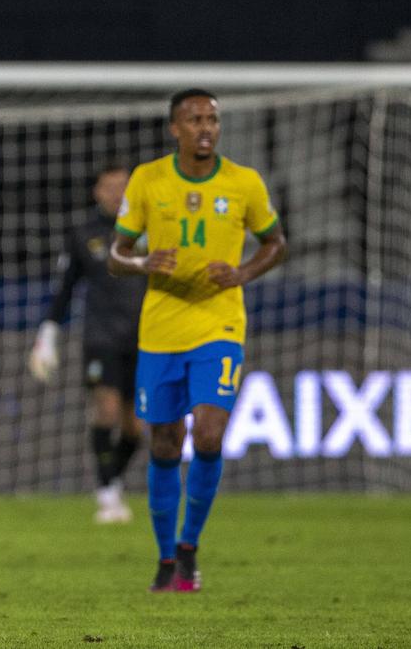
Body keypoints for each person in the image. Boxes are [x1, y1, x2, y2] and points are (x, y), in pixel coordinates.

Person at [108, 89, 286, 593]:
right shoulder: (148, 180)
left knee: (208, 434)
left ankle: (190, 547)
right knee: (165, 442)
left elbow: (276, 242)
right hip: (161, 329)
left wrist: (244, 272)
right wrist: (143, 262)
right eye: (195, 119)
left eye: (212, 119)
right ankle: (166, 560)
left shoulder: (244, 183)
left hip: (219, 326)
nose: (206, 127)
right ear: (175, 129)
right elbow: (115, 256)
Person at [28, 163, 146, 523]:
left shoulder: (151, 230)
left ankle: (114, 483)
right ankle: (107, 491)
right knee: (106, 411)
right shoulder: (84, 234)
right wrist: (47, 334)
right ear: (97, 191)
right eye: (110, 187)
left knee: (135, 428)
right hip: (101, 337)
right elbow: (64, 289)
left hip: (145, 339)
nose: (117, 193)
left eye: (124, 187)